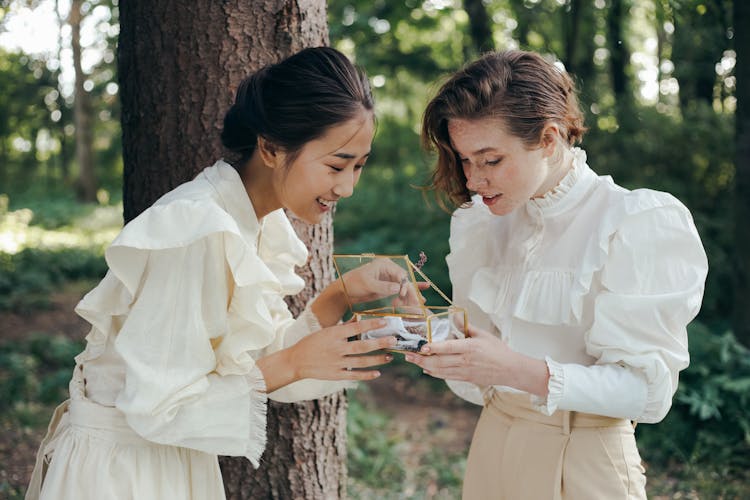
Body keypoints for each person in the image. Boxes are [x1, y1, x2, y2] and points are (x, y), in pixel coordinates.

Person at [26, 47, 412, 500]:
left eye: (359, 166)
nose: (347, 187)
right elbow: (158, 407)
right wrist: (293, 361)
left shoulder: (256, 220)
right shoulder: (199, 230)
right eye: (336, 165)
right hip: (125, 472)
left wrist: (341, 297)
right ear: (270, 147)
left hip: (169, 460)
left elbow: (258, 365)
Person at [406, 49, 708, 499]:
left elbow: (648, 394)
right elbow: (479, 377)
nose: (472, 180)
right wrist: (421, 328)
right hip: (492, 446)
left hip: (584, 461)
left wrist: (517, 369)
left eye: (490, 160)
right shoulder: (479, 223)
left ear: (549, 139)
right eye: (465, 160)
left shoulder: (634, 220)